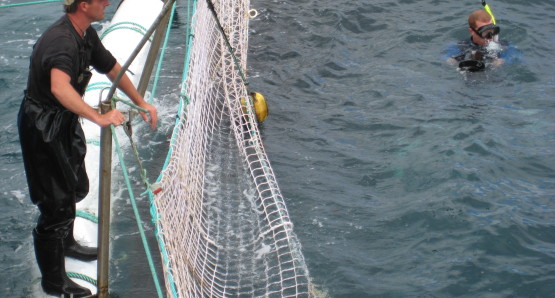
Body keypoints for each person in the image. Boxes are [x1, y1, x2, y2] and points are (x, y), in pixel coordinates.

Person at [17, 0, 157, 296]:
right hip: (43, 126)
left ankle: (67, 243)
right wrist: (98, 116)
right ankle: (54, 282)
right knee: (54, 204)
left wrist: (141, 102)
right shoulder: (62, 41)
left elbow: (112, 68)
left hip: (64, 121)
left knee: (76, 186)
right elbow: (59, 87)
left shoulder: (85, 33)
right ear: (84, 5)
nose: (108, 2)